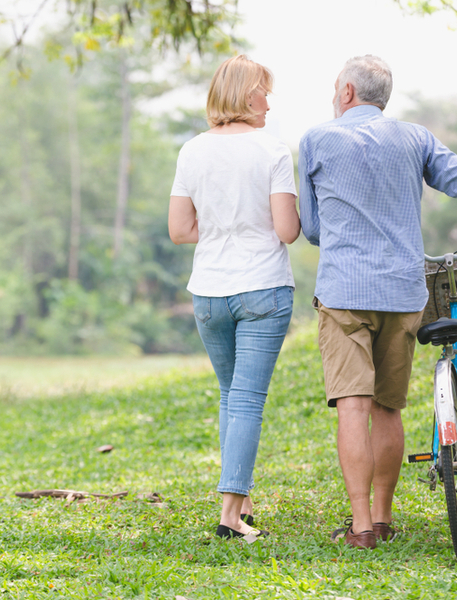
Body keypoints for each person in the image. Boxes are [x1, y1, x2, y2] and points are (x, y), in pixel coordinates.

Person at [299, 55, 457, 549]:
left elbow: (312, 229)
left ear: (347, 92)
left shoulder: (316, 140)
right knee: (389, 408)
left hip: (346, 292)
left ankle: (361, 526)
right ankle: (385, 520)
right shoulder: (416, 138)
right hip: (403, 292)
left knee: (353, 406)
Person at [168, 54, 300, 540]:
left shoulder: (191, 151)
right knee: (246, 399)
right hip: (262, 286)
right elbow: (286, 231)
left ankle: (240, 502)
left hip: (209, 293)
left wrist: (222, 226)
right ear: (248, 96)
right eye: (265, 90)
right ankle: (229, 516)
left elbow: (180, 230)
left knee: (230, 396)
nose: (269, 101)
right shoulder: (272, 151)